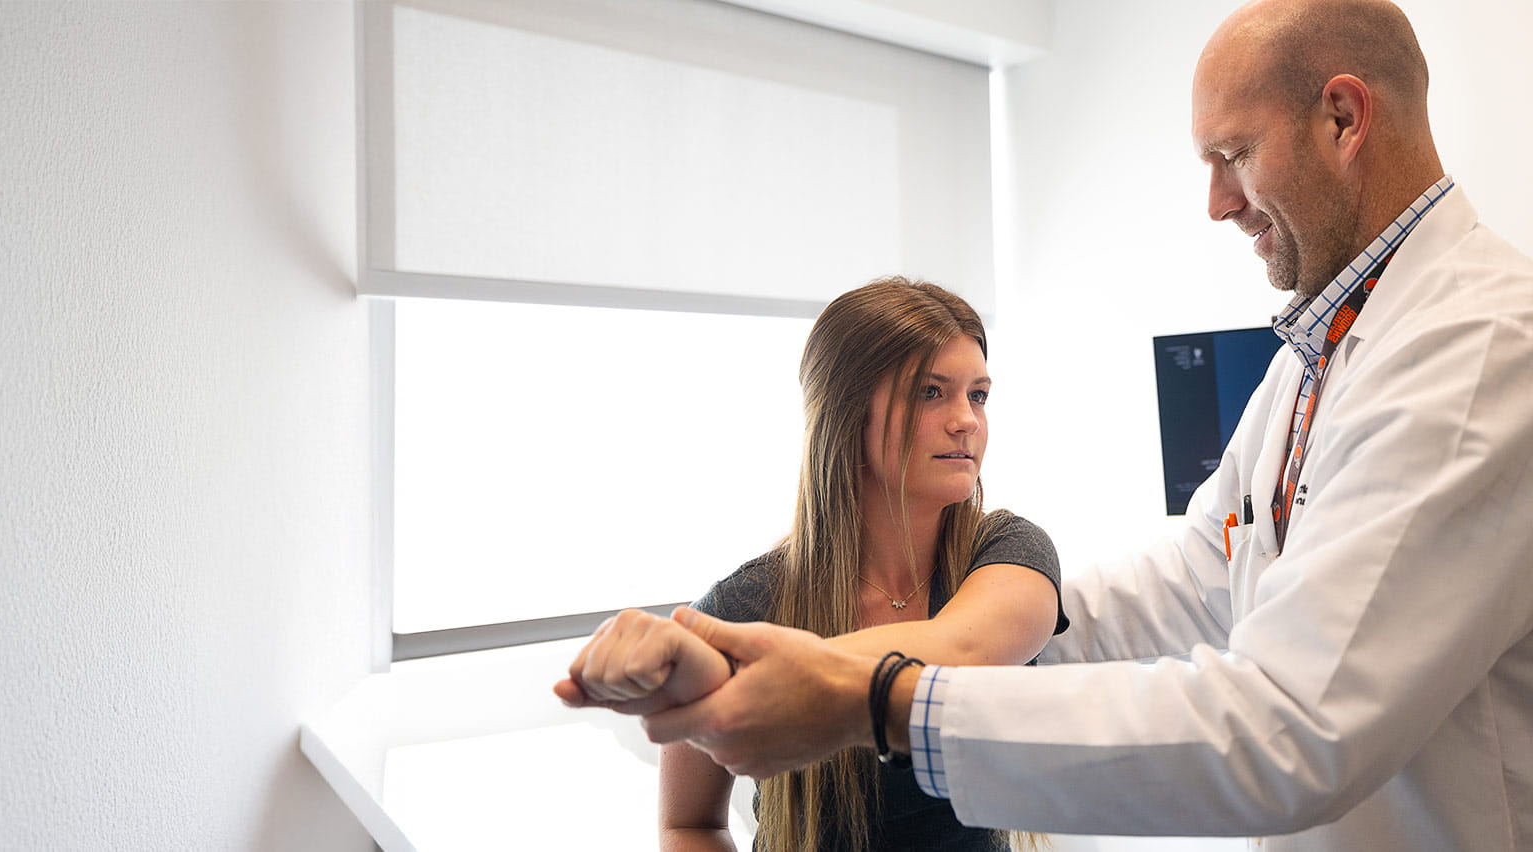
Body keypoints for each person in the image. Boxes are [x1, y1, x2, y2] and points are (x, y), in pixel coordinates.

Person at [564, 1, 1533, 850]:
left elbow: (1290, 728)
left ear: (1342, 116)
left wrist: (877, 701)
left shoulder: (1477, 349)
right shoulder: (1312, 360)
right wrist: (800, 651)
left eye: (1233, 155)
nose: (1215, 204)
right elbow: (1195, 577)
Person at [555, 277, 1068, 851]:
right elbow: (689, 823)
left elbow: (966, 650)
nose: (967, 420)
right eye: (930, 392)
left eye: (978, 394)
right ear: (849, 413)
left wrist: (726, 665)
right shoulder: (746, 605)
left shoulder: (1007, 551)